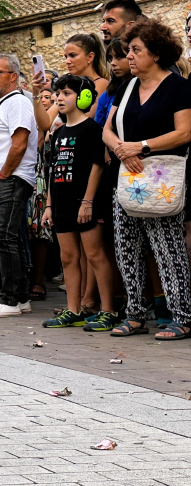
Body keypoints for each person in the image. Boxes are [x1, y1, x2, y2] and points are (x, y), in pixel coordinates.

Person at [102, 17, 191, 339]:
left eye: (136, 50)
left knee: (168, 249)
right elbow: (107, 130)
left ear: (155, 53)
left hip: (161, 178)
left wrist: (142, 146)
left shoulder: (179, 88)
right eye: (129, 50)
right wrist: (123, 150)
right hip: (127, 179)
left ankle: (182, 316)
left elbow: (185, 132)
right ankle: (135, 314)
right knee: (126, 248)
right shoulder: (126, 88)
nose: (129, 56)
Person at [41, 75, 116, 329]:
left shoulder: (91, 129)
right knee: (68, 258)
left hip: (85, 203)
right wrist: (49, 205)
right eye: (58, 93)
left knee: (95, 255)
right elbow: (53, 171)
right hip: (61, 204)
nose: (60, 98)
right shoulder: (60, 132)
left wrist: (87, 201)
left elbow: (97, 166)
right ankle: (73, 309)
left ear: (83, 97)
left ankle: (108, 310)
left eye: (67, 93)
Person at [0, 55, 39, 317]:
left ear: (13, 76)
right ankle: (20, 297)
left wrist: (4, 174)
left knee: (4, 237)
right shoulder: (2, 104)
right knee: (8, 238)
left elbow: (20, 142)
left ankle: (10, 299)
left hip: (12, 178)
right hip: (0, 179)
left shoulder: (17, 102)